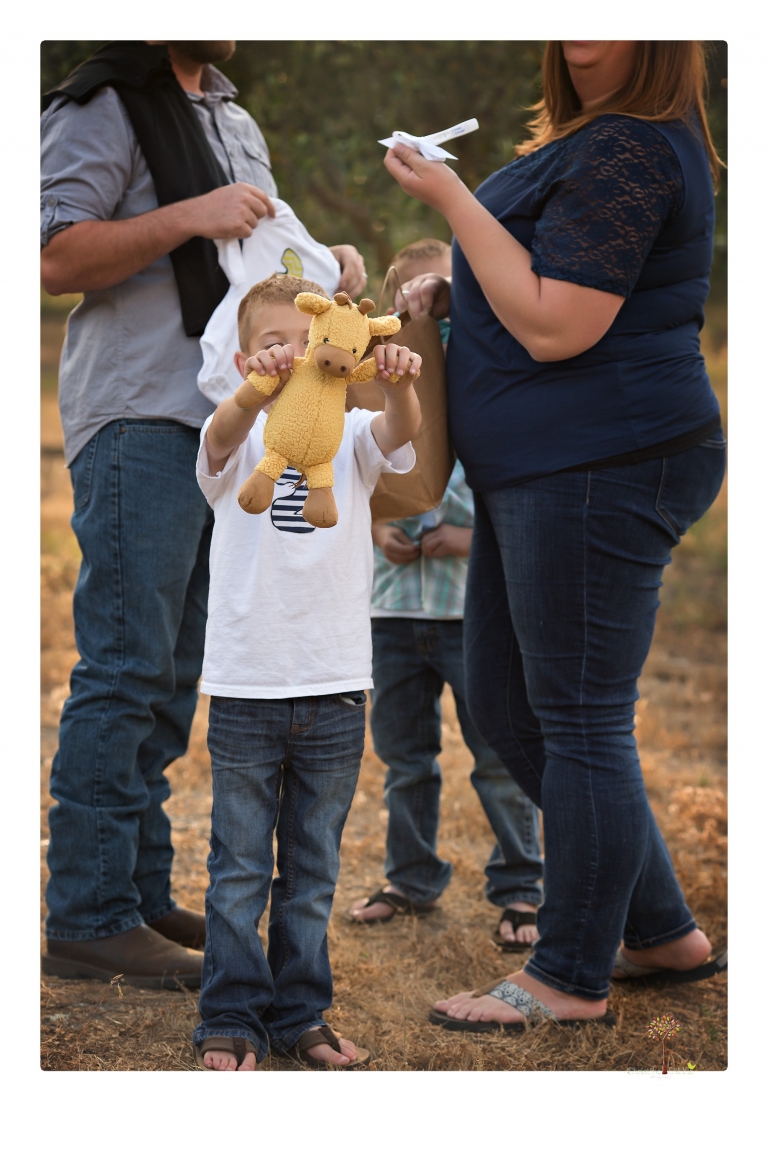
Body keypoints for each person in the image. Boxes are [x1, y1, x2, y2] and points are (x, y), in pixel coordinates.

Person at [382, 40, 727, 1031]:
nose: (582, 39)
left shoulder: (632, 146)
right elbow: (536, 273)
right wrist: (462, 284)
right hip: (543, 469)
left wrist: (451, 203)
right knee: (503, 697)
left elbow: (557, 323)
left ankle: (569, 972)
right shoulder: (591, 139)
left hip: (600, 465)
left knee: (576, 718)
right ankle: (660, 927)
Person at [40, 40, 367, 988]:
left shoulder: (235, 117)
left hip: (232, 432)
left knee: (176, 672)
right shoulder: (97, 105)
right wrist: (192, 213)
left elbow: (256, 278)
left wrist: (325, 268)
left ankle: (134, 896)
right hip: (143, 412)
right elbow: (54, 253)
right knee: (127, 663)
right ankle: (87, 914)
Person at [191, 274, 421, 1070]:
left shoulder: (354, 432)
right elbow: (220, 441)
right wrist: (260, 389)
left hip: (332, 685)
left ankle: (301, 1014)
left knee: (313, 869)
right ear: (243, 355)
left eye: (307, 338)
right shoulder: (238, 433)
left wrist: (398, 382)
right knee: (240, 868)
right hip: (250, 686)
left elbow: (401, 437)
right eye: (272, 342)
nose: (294, 353)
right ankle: (228, 1015)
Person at [349, 239, 543, 950]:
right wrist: (376, 530)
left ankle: (522, 888)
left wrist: (472, 535)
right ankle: (410, 877)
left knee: (498, 753)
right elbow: (357, 466)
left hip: (471, 603)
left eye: (436, 292)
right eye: (406, 296)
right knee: (406, 757)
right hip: (392, 607)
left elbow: (501, 469)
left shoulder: (487, 370)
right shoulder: (376, 370)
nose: (420, 306)